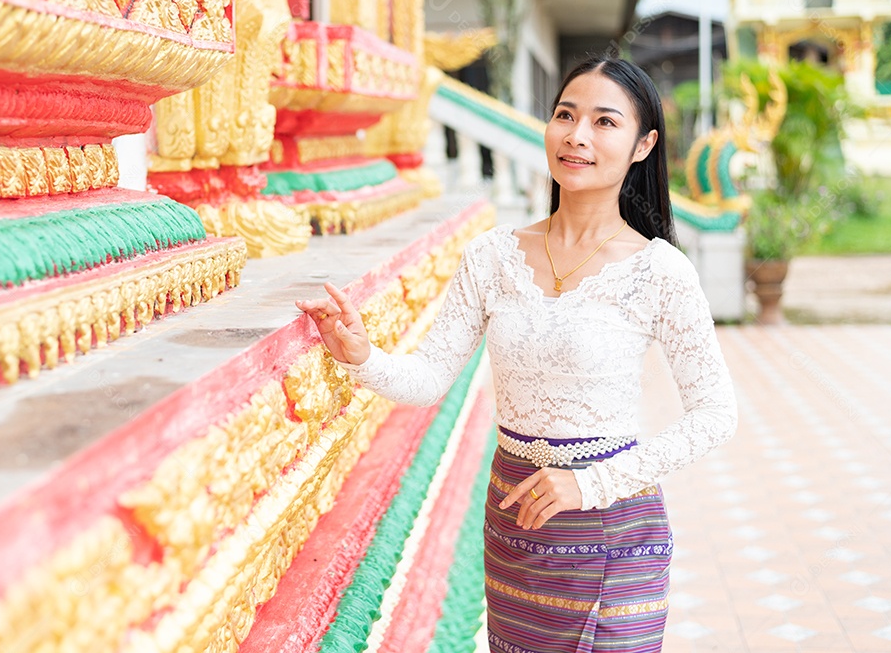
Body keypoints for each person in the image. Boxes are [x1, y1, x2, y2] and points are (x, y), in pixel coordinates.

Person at [295, 55, 737, 653]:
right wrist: (362, 355)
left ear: (643, 145)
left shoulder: (659, 270)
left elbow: (715, 415)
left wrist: (591, 483)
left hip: (612, 529)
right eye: (565, 115)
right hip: (514, 529)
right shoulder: (492, 256)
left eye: (605, 122)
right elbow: (429, 377)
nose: (577, 136)